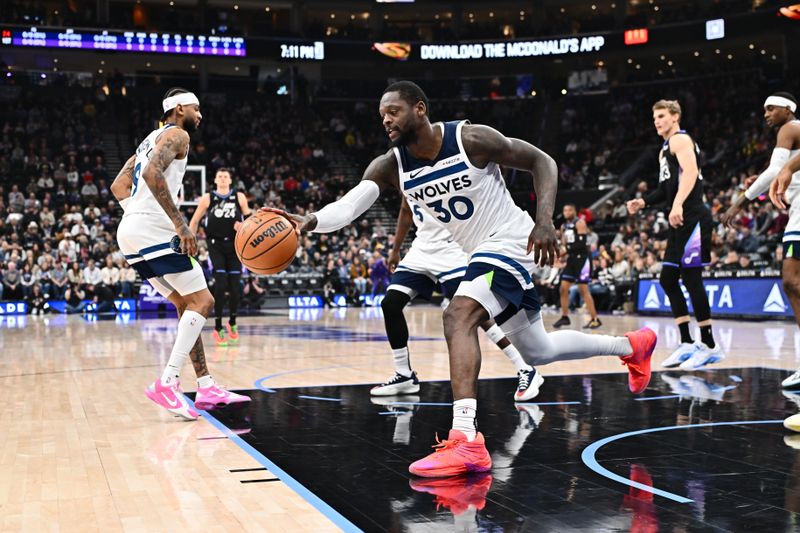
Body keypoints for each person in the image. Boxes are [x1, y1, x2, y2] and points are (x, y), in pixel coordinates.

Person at [266, 81, 655, 477]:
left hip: (511, 240)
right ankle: (631, 345)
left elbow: (543, 162)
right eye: (381, 113)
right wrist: (312, 221)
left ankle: (466, 439)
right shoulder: (390, 164)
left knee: (457, 315)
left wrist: (544, 221)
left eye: (393, 111)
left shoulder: (470, 139)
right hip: (482, 252)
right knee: (537, 351)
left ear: (420, 109)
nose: (385, 119)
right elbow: (350, 206)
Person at [111, 87, 249, 420]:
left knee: (187, 304)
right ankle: (167, 382)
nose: (200, 115)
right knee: (204, 302)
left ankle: (205, 385)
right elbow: (151, 174)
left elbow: (119, 185)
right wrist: (179, 225)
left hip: (130, 231)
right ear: (179, 108)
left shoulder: (149, 139)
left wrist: (136, 216)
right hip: (153, 230)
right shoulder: (178, 134)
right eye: (196, 108)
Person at [372, 197, 543, 402]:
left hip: (453, 250)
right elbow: (405, 210)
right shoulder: (406, 172)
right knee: (390, 304)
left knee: (477, 313)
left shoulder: (451, 169)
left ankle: (524, 366)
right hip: (422, 249)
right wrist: (396, 249)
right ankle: (404, 375)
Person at [627, 99, 723, 371]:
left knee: (692, 280)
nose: (656, 121)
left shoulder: (681, 140)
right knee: (668, 279)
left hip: (693, 216)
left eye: (661, 116)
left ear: (675, 117)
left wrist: (679, 203)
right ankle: (686, 342)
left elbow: (691, 173)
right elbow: (662, 190)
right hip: (679, 220)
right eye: (654, 117)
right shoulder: (664, 150)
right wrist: (642, 202)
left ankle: (710, 346)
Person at [725, 92, 800, 388]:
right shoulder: (792, 132)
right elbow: (778, 172)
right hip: (796, 210)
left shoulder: (790, 127)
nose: (766, 113)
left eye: (771, 108)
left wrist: (739, 202)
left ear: (787, 109)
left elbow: (774, 171)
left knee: (791, 280)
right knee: (792, 283)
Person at [188, 167, 251, 346]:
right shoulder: (208, 198)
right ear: (215, 180)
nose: (223, 179)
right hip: (215, 245)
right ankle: (217, 326)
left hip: (235, 245)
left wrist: (244, 225)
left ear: (230, 180)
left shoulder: (239, 197)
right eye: (220, 176)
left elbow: (251, 219)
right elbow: (194, 220)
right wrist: (190, 240)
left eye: (225, 176)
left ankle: (232, 322)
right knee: (221, 283)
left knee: (235, 285)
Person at [552, 204, 601, 329]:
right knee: (563, 288)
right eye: (564, 210)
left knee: (583, 290)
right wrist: (558, 254)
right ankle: (565, 317)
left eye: (569, 210)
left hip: (583, 259)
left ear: (574, 211)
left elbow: (580, 244)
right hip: (572, 259)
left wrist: (563, 251)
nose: (566, 212)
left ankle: (595, 319)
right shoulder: (563, 226)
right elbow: (564, 244)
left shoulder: (580, 223)